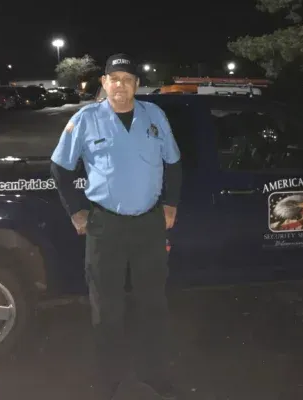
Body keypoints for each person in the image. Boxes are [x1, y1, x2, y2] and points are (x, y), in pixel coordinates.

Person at [50, 53, 182, 400]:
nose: (120, 85)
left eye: (128, 78)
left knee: (152, 303)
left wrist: (170, 204)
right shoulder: (86, 119)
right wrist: (76, 212)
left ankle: (154, 374)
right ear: (104, 83)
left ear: (137, 84)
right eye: (114, 78)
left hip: (149, 225)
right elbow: (60, 168)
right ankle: (112, 379)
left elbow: (175, 163)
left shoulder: (155, 116)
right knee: (107, 308)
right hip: (105, 225)